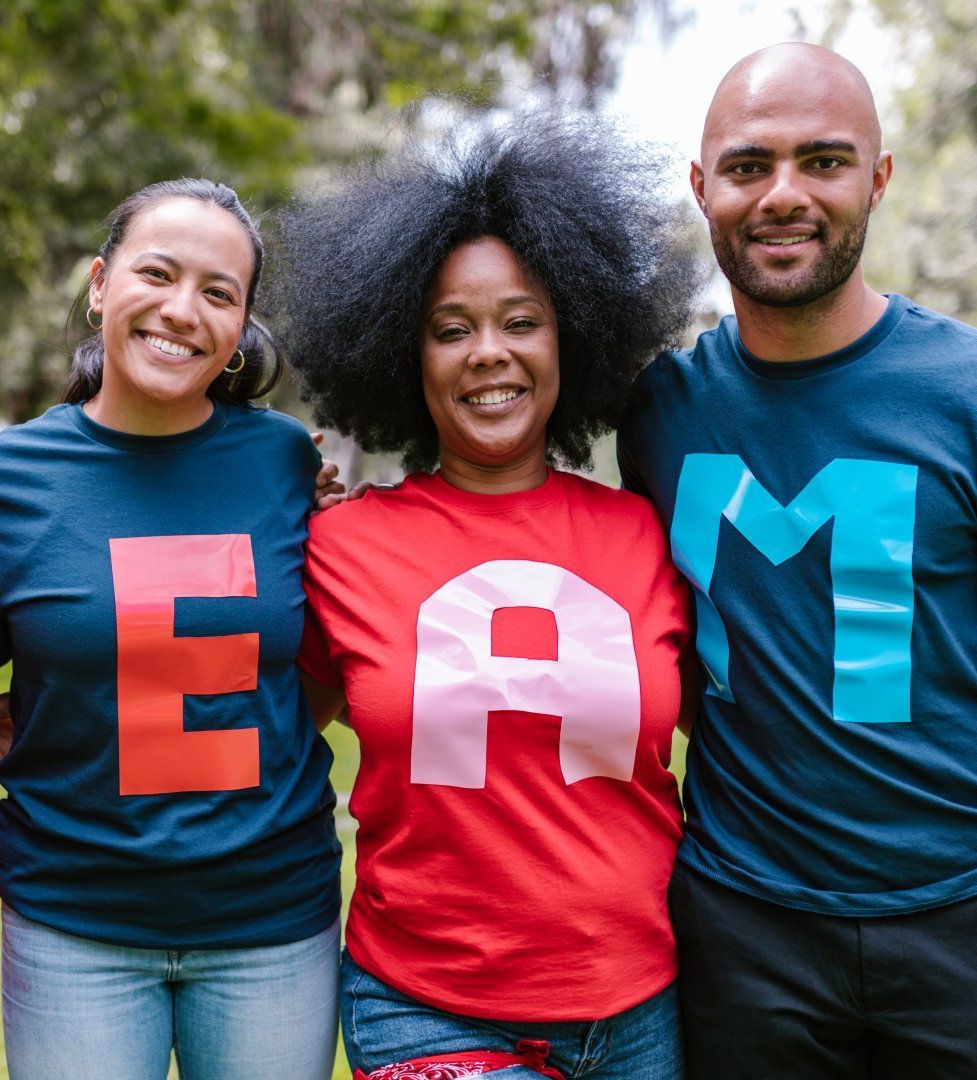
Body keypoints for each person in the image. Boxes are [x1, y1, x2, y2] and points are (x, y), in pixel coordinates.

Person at [615, 44, 977, 1079]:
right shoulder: (657, 410)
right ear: (702, 187)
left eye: (825, 160)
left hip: (971, 924)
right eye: (750, 164)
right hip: (741, 929)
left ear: (880, 179)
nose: (785, 194)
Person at [277, 118, 701, 1079]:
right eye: (450, 329)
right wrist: (46, 704)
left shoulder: (648, 535)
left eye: (521, 321)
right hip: (428, 1007)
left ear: (572, 338)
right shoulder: (338, 546)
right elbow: (249, 714)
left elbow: (757, 713)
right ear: (402, 353)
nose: (488, 354)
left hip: (644, 1005)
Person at [0, 178, 342, 1080]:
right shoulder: (1, 478)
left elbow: (311, 670)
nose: (182, 311)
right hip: (74, 924)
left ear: (242, 325)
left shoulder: (284, 460)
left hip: (271, 921)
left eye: (218, 293)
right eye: (157, 274)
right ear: (98, 283)